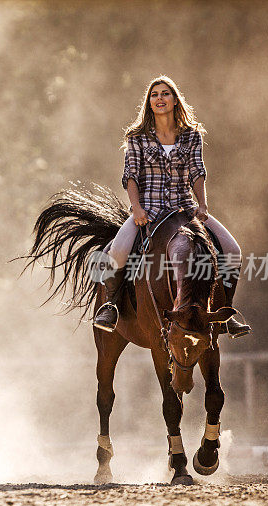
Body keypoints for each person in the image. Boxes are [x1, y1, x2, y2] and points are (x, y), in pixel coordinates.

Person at [93, 75, 250, 338]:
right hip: (149, 211)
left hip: (185, 210)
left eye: (165, 93)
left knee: (233, 250)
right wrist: (137, 208)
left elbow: (197, 172)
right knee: (117, 252)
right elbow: (130, 176)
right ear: (149, 102)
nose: (159, 98)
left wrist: (203, 205)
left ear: (175, 100)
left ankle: (226, 312)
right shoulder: (137, 137)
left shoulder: (192, 135)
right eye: (154, 95)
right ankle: (110, 306)